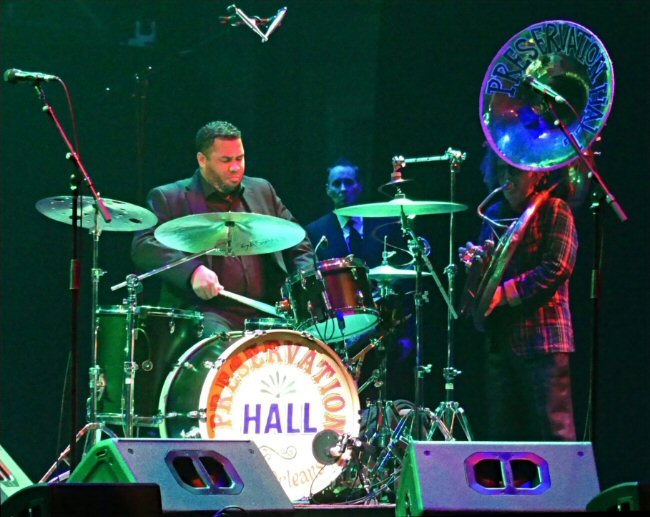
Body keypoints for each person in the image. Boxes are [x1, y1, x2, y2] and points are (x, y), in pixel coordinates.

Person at [131, 120, 314, 336]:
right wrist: (192, 272)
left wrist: (304, 283)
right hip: (206, 313)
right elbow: (144, 245)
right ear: (202, 160)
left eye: (240, 158)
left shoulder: (262, 190)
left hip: (267, 311)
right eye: (226, 160)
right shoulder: (170, 197)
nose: (236, 167)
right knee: (221, 346)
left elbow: (298, 240)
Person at [459, 146, 579, 441]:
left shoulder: (555, 209)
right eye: (501, 170)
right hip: (500, 343)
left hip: (543, 342)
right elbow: (486, 283)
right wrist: (476, 266)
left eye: (514, 171)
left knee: (553, 436)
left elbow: (557, 267)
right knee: (505, 440)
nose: (506, 179)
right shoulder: (495, 215)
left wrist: (504, 293)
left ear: (536, 174)